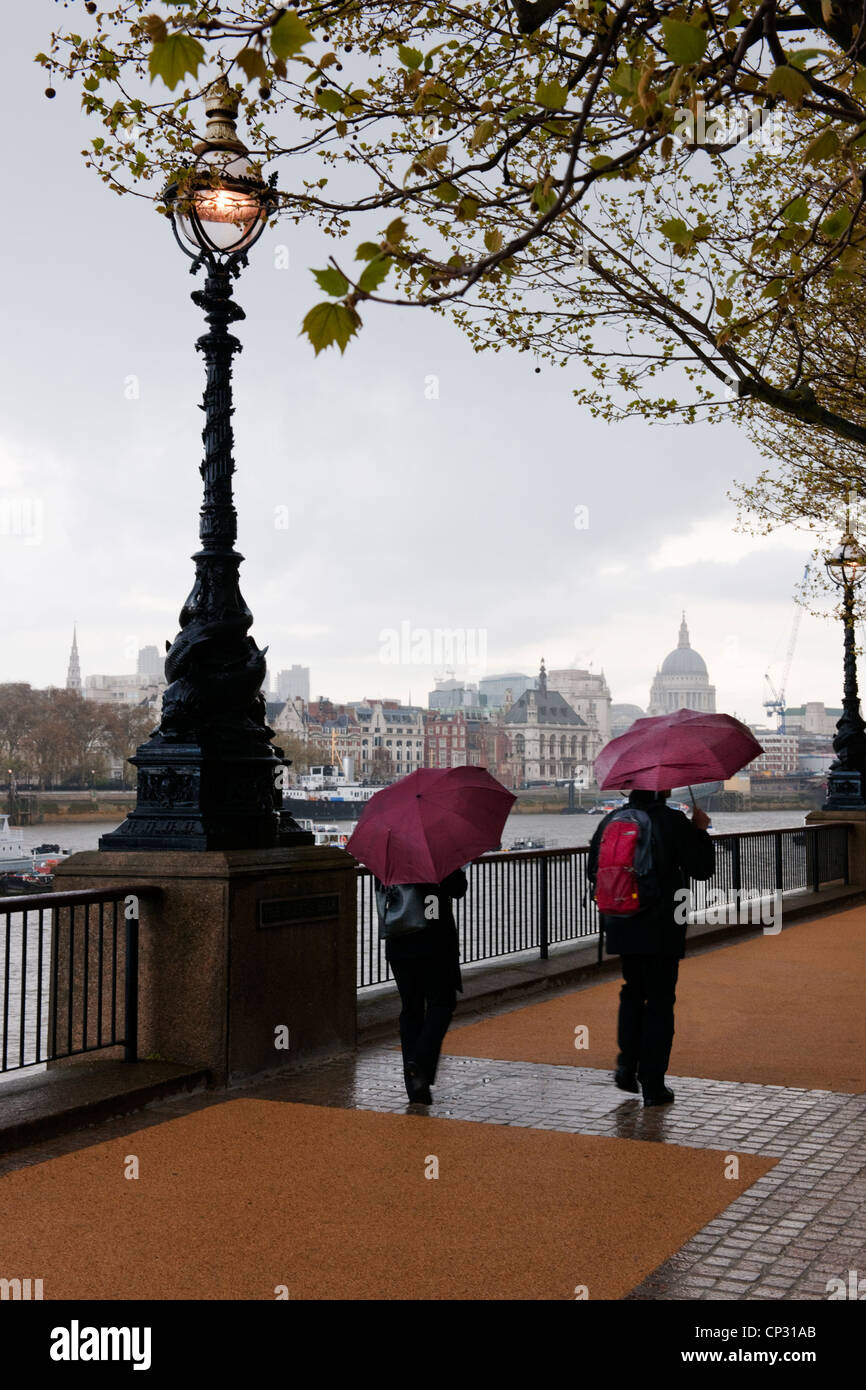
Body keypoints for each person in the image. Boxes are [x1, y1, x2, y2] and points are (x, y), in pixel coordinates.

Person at [588, 789, 715, 1107]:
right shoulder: (672, 821)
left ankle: (626, 1067)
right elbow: (701, 869)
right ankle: (654, 1084)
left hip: (621, 920)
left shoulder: (610, 820)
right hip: (661, 924)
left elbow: (593, 871)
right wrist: (700, 830)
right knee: (659, 999)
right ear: (664, 789)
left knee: (632, 991)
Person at [374, 868, 467, 1105]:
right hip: (433, 941)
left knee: (411, 1009)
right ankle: (421, 1063)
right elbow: (458, 889)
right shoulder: (434, 853)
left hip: (398, 943)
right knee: (442, 1002)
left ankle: (416, 1088)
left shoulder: (387, 855)